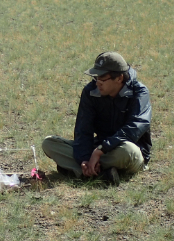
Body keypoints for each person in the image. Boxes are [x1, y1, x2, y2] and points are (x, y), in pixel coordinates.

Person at [42, 52, 151, 185]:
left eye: (103, 78)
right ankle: (100, 172)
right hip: (98, 149)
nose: (98, 82)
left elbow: (136, 127)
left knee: (128, 151)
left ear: (119, 78)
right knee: (49, 143)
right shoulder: (90, 91)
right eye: (96, 77)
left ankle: (78, 171)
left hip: (126, 150)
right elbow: (83, 129)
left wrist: (101, 150)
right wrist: (84, 158)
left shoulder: (139, 92)